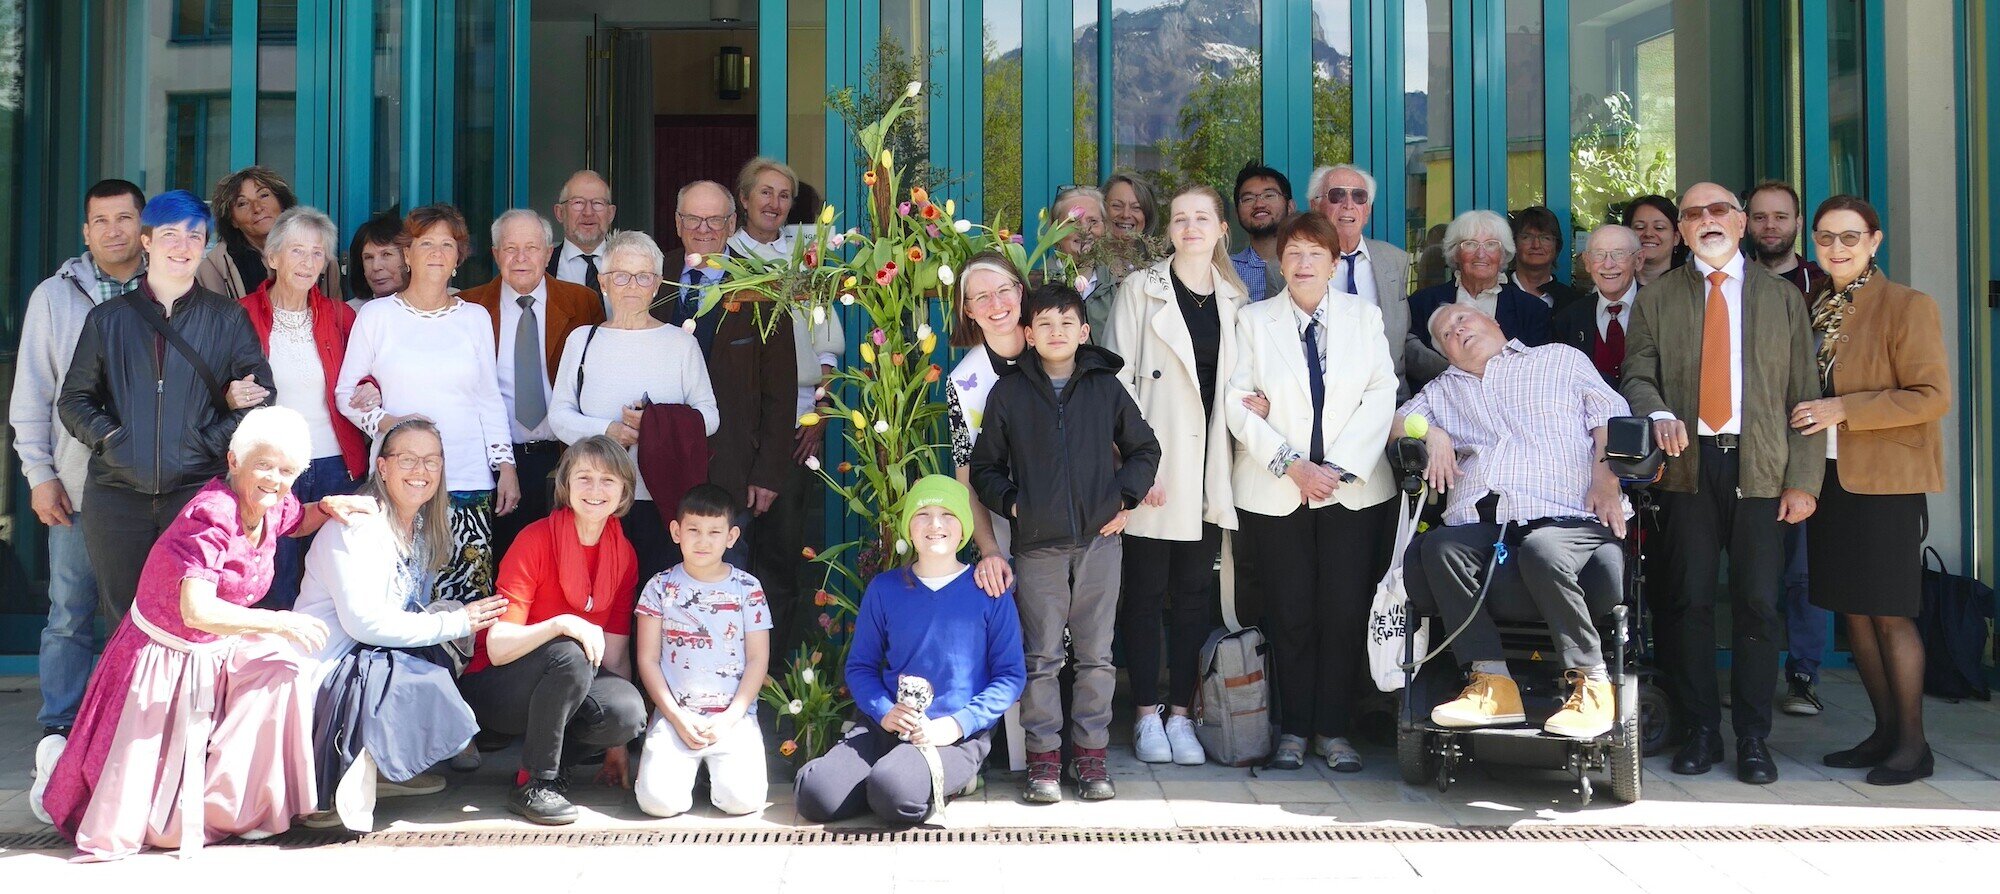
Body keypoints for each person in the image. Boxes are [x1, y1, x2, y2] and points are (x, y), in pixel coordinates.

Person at [33, 407, 372, 859]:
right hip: (163, 659)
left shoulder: (273, 503)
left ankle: (239, 807)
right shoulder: (211, 515)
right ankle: (55, 764)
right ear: (234, 461)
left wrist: (326, 508)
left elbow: (294, 520)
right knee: (143, 822)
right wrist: (281, 622)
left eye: (287, 471)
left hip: (216, 648)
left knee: (281, 669)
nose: (275, 479)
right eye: (264, 465)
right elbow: (197, 611)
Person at [1621, 181, 1823, 786]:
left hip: (1762, 468)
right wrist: (1657, 412)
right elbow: (1637, 374)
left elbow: (1805, 395)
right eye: (1693, 214)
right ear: (1682, 231)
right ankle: (1701, 730)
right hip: (1686, 466)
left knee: (1759, 602)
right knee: (1689, 602)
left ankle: (1754, 738)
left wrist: (1804, 480)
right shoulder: (1657, 298)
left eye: (1718, 210)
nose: (1706, 220)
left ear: (1739, 223)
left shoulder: (1782, 298)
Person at [1401, 306, 1631, 739]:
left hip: (1569, 513)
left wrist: (1605, 478)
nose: (1457, 330)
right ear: (1445, 354)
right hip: (1485, 520)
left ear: (1494, 323)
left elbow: (1611, 417)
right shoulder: (1442, 389)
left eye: (1463, 320)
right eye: (1446, 333)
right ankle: (1493, 684)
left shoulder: (1559, 358)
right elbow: (1396, 424)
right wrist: (1432, 432)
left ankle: (1593, 683)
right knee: (1439, 548)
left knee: (1542, 550)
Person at [971, 283, 1161, 803]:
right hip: (1037, 547)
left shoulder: (1105, 387)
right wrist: (1016, 505)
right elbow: (984, 467)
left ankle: (1092, 756)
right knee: (1042, 657)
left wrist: (1123, 498)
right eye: (1045, 324)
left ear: (1083, 332)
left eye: (1066, 323)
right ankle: (1043, 761)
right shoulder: (1009, 393)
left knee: (1097, 655)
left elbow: (1145, 448)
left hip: (1100, 542)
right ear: (1029, 335)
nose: (1056, 332)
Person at [1226, 212, 1398, 772]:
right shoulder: (1253, 321)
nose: (1303, 263)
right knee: (1290, 611)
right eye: (1293, 253)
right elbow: (1237, 403)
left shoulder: (1364, 317)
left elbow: (1381, 394)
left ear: (1333, 261)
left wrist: (1337, 470)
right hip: (1278, 490)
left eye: (1315, 253)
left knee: (1344, 611)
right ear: (1280, 262)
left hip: (1352, 492)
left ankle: (1334, 730)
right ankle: (1294, 730)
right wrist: (1293, 465)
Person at [1791, 195, 1950, 785]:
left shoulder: (1908, 305)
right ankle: (1884, 733)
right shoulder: (1812, 304)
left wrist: (1844, 409)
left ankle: (1913, 745)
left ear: (1874, 241)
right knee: (1853, 612)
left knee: (1889, 613)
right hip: (1829, 478)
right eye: (1826, 237)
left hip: (1886, 480)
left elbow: (1931, 396)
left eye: (1850, 237)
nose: (1837, 248)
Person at [59, 189, 274, 623]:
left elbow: (261, 396)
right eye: (170, 234)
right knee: (126, 619)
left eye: (194, 236)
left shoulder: (227, 318)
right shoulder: (108, 319)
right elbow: (74, 399)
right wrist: (113, 440)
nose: (182, 245)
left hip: (195, 491)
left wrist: (205, 443)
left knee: (192, 617)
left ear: (206, 246)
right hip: (117, 494)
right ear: (147, 241)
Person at [293, 419, 510, 831]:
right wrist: (453, 622)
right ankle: (346, 774)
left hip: (368, 656)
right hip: (331, 667)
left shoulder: (423, 527)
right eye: (407, 459)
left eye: (431, 461)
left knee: (444, 637)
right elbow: (364, 624)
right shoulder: (358, 524)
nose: (420, 471)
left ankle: (385, 767)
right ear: (383, 466)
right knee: (434, 647)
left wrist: (452, 624)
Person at [1104, 186, 1247, 766]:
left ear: (1221, 230)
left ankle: (1182, 716)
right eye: (1181, 218)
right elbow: (1116, 382)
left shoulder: (1237, 297)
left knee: (1193, 595)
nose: (1191, 227)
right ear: (1168, 230)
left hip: (1210, 468)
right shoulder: (1140, 289)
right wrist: (1139, 465)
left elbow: (1243, 381)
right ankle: (1145, 715)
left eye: (1202, 218)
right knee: (1143, 593)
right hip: (1156, 466)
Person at [794, 476, 1026, 825]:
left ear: (964, 527)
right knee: (815, 794)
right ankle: (888, 779)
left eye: (947, 514)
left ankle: (943, 781)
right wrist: (883, 711)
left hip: (952, 734)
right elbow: (861, 666)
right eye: (923, 514)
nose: (935, 524)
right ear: (909, 529)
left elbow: (1009, 676)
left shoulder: (988, 592)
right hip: (888, 724)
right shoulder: (885, 589)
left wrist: (957, 724)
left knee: (893, 793)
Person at [11, 179, 146, 745]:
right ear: (86, 232)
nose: (114, 231)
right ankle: (60, 728)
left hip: (154, 485)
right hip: (76, 483)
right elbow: (32, 394)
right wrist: (39, 475)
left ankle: (127, 723)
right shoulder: (53, 296)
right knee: (69, 611)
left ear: (143, 225)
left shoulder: (168, 286)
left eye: (125, 218)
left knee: (139, 612)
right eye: (101, 221)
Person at [456, 436, 649, 825]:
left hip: (568, 682)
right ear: (566, 485)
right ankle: (534, 783)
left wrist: (617, 746)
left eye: (608, 480)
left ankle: (556, 767)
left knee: (628, 711)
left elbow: (614, 656)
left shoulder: (624, 553)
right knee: (570, 652)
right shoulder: (534, 539)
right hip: (499, 687)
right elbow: (497, 647)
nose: (595, 490)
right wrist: (561, 624)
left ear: (624, 491)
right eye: (584, 477)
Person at [336, 204, 521, 607]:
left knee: (464, 605)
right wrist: (389, 422)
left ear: (458, 258)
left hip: (467, 478)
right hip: (402, 480)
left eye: (447, 245)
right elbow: (345, 393)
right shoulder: (377, 315)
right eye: (426, 244)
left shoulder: (475, 317)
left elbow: (488, 397)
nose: (437, 253)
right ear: (408, 253)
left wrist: (505, 465)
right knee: (397, 601)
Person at [726, 157, 847, 661]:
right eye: (765, 192)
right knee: (728, 549)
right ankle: (726, 663)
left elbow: (826, 347)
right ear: (743, 198)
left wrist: (820, 412)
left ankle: (774, 669)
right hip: (733, 425)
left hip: (796, 422)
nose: (774, 203)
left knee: (781, 552)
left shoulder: (805, 261)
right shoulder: (723, 256)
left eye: (783, 195)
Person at [550, 229, 720, 586]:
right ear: (603, 283)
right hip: (595, 499)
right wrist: (610, 431)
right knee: (596, 594)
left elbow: (710, 417)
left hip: (659, 498)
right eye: (621, 276)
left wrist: (654, 426)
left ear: (657, 284)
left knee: (654, 597)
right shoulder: (583, 340)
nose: (632, 286)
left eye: (643, 276)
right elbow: (559, 417)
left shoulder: (680, 343)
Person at [655, 180, 797, 565]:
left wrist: (768, 472)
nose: (703, 229)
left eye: (714, 220)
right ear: (677, 223)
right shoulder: (652, 275)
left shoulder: (762, 284)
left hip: (733, 466)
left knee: (725, 577)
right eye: (693, 219)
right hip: (659, 464)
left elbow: (781, 390)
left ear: (732, 224)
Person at [240, 206, 371, 610]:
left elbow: (366, 371)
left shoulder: (339, 315)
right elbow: (218, 385)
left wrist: (371, 388)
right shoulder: (240, 314)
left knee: (333, 586)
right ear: (273, 257)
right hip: (273, 469)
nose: (308, 262)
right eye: (297, 251)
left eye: (317, 253)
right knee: (273, 580)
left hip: (335, 465)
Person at [462, 209, 607, 557]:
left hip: (562, 457)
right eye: (510, 248)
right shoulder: (468, 305)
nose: (521, 258)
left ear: (548, 252)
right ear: (495, 254)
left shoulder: (582, 302)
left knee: (562, 560)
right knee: (500, 562)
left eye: (531, 247)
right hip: (493, 461)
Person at [631, 484, 772, 817]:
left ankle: (713, 774)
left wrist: (730, 717)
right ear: (676, 532)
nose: (703, 541)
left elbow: (758, 659)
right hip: (676, 716)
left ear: (731, 536)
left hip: (732, 717)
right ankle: (687, 773)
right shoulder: (659, 587)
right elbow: (647, 659)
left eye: (714, 532)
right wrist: (676, 717)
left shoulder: (748, 588)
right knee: (658, 803)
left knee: (743, 802)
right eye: (693, 530)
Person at [1746, 179, 1831, 716]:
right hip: (1744, 450)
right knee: (1751, 576)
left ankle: (1803, 674)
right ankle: (1749, 675)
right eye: (1760, 217)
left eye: (1780, 216)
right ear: (1745, 223)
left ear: (1798, 224)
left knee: (1802, 574)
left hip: (1802, 442)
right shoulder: (1728, 282)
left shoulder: (1823, 286)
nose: (1770, 226)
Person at [945, 251, 1032, 598]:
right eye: (981, 296)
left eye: (1003, 290)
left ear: (1020, 291)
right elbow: (965, 475)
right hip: (1005, 525)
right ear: (967, 310)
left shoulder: (1056, 347)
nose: (996, 304)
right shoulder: (963, 382)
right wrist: (990, 550)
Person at [1316, 163, 1443, 398]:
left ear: (1367, 210)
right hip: (1323, 402)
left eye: (1359, 196)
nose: (1348, 204)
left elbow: (1401, 342)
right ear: (1316, 205)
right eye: (1337, 195)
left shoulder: (1394, 260)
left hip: (1390, 399)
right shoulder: (1291, 266)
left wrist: (1454, 371)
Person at [1408, 210, 1552, 351]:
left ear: (1503, 255)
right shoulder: (1422, 304)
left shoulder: (1532, 310)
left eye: (1491, 244)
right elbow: (1412, 358)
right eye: (1470, 244)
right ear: (1455, 253)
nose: (1481, 254)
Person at [196, 165, 337, 301]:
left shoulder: (320, 254)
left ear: (281, 202)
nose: (257, 208)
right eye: (242, 203)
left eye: (264, 195)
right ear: (233, 220)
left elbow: (335, 310)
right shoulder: (214, 268)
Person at [1552, 224, 1642, 386]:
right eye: (1599, 255)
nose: (1608, 265)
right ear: (1587, 262)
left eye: (1619, 254)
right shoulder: (1569, 319)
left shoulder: (1659, 310)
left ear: (1639, 260)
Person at [1052, 186, 1118, 343]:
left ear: (1105, 228)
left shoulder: (1118, 286)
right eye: (1072, 221)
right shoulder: (1038, 284)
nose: (1084, 230)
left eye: (1093, 221)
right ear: (1054, 229)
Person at [548, 170, 618, 304]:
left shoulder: (632, 266)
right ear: (560, 213)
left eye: (597, 203)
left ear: (610, 214)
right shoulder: (541, 268)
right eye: (578, 203)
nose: (588, 212)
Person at [1230, 162, 1294, 302]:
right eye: (1248, 199)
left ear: (1290, 207)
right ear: (1236, 213)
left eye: (1269, 195)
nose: (1259, 204)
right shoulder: (1226, 271)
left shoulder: (1308, 264)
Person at [1509, 206, 1580, 311]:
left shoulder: (1572, 302)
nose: (1536, 245)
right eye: (1526, 237)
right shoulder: (1497, 292)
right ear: (1513, 243)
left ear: (1556, 246)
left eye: (1545, 238)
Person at [347, 211, 409, 308]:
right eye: (368, 257)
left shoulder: (428, 311)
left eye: (386, 254)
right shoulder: (350, 312)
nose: (376, 267)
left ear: (408, 257)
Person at [1623, 194, 1684, 286]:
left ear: (1676, 238)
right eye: (1640, 227)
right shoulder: (1613, 285)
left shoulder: (1692, 286)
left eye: (1659, 228)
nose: (1648, 233)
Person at [1104, 171, 1159, 240]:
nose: (1125, 215)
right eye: (1117, 206)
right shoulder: (1090, 246)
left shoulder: (1159, 247)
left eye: (1136, 207)